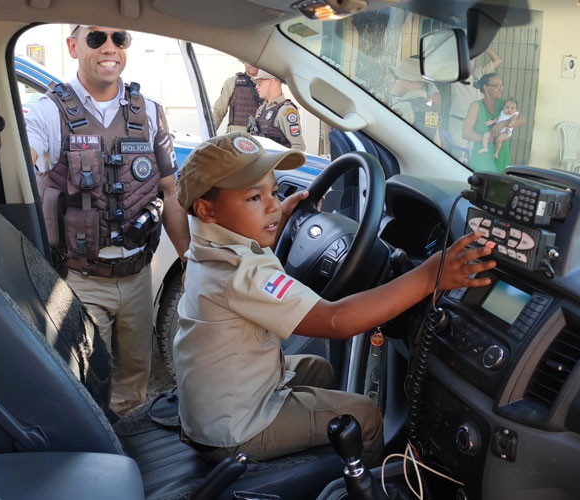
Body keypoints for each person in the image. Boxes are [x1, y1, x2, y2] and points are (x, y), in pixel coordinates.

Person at [173, 132, 496, 467]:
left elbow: (252, 251)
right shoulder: (241, 272)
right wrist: (429, 276)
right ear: (207, 210)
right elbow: (336, 321)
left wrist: (278, 218)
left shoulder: (208, 252)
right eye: (254, 199)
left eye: (273, 192)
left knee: (319, 369)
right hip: (235, 429)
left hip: (213, 408)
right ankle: (367, 487)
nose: (272, 205)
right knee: (366, 416)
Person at [24, 25, 190, 417]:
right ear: (73, 45)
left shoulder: (149, 111)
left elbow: (171, 192)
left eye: (120, 38)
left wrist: (189, 259)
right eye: (96, 39)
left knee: (135, 386)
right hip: (80, 280)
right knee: (83, 386)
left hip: (136, 278)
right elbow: (22, 167)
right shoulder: (49, 113)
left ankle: (132, 456)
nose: (110, 48)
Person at [445, 48, 503, 157]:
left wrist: (484, 46)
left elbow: (498, 60)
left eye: (471, 59)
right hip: (459, 123)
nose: (468, 61)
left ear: (475, 59)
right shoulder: (456, 74)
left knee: (474, 159)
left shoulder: (481, 73)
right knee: (457, 158)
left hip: (477, 126)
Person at [463, 73, 526, 172]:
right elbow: (466, 133)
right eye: (496, 86)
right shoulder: (476, 106)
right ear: (486, 88)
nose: (501, 89)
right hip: (482, 156)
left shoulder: (504, 104)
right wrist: (488, 139)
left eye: (501, 86)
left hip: (501, 155)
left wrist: (503, 123)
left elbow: (523, 119)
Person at [249, 70, 305, 151]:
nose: (256, 87)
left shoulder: (286, 111)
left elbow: (298, 147)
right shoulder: (262, 109)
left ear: (273, 82)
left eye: (259, 82)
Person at [388, 58, 440, 142]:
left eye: (396, 77)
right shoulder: (430, 110)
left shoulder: (404, 108)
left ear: (412, 80)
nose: (391, 81)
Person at [211, 62, 262, 134]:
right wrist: (209, 133)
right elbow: (219, 111)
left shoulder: (269, 83)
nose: (252, 64)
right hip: (236, 136)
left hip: (260, 136)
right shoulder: (232, 82)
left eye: (255, 61)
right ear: (243, 61)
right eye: (248, 60)